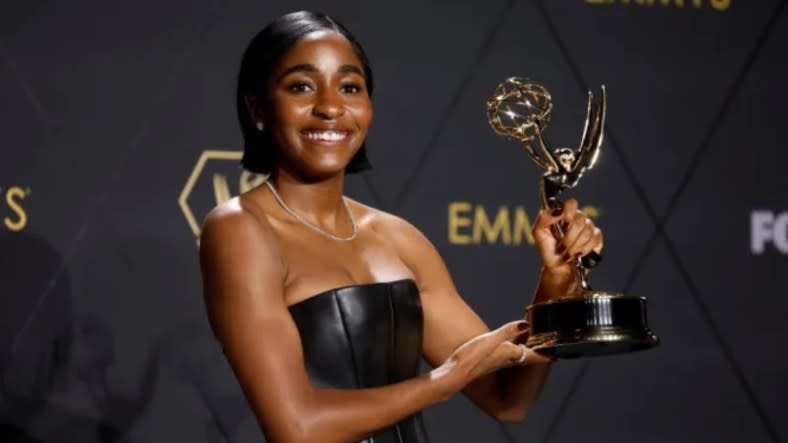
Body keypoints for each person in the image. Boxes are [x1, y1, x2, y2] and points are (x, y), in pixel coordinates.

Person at [199, 10, 603, 443]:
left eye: (350, 87)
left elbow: (508, 399)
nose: (331, 107)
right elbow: (296, 428)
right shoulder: (240, 229)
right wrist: (442, 382)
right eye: (301, 86)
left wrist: (556, 284)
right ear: (258, 108)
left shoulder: (399, 238)